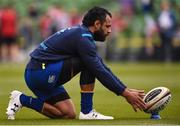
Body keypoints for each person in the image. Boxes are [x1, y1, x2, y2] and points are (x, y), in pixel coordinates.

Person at [6, 6, 146, 120]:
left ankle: (22, 99)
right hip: (41, 73)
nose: (110, 30)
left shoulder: (81, 34)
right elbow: (98, 69)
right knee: (89, 64)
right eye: (107, 26)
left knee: (67, 114)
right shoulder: (83, 37)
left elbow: (102, 66)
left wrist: (125, 89)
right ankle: (87, 111)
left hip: (35, 73)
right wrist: (125, 93)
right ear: (97, 24)